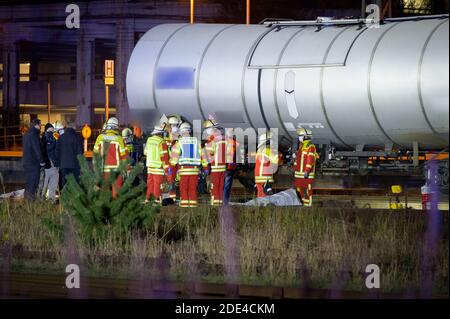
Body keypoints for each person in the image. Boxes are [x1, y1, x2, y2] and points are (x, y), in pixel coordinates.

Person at [170, 122, 205, 208]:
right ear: (190, 131)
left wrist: (171, 167)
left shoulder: (179, 142)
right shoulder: (197, 141)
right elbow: (203, 155)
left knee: (184, 188)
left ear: (181, 132)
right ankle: (193, 206)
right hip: (194, 170)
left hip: (184, 170)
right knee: (193, 188)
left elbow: (174, 159)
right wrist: (205, 166)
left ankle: (184, 206)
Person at [93, 117, 128, 198]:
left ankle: (105, 208)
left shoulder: (100, 137)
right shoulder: (119, 139)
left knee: (104, 192)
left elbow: (95, 154)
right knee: (116, 193)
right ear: (116, 127)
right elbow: (123, 156)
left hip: (104, 169)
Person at [143, 123, 170, 204]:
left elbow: (145, 152)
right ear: (161, 133)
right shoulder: (162, 142)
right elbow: (164, 157)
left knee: (150, 184)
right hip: (158, 167)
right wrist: (167, 170)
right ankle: (156, 200)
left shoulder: (149, 140)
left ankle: (147, 199)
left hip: (150, 167)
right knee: (157, 185)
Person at [203, 118, 227, 206]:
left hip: (215, 167)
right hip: (222, 168)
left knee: (214, 187)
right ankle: (220, 204)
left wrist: (205, 168)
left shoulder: (212, 140)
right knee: (220, 187)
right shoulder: (223, 138)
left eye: (207, 129)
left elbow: (207, 156)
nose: (207, 131)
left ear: (213, 128)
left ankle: (215, 206)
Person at [293, 128, 318, 206]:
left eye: (301, 136)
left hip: (306, 174)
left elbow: (310, 160)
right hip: (299, 174)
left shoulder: (310, 146)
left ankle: (308, 206)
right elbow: (298, 160)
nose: (299, 137)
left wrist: (307, 170)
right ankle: (303, 204)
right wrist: (294, 168)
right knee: (299, 190)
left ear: (306, 136)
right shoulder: (302, 146)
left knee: (307, 190)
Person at [22, 118, 45, 200]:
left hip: (26, 162)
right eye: (40, 125)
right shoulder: (34, 135)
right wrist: (41, 161)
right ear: (36, 125)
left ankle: (26, 204)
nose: (40, 127)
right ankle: (31, 205)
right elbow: (37, 149)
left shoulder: (26, 135)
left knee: (28, 183)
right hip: (33, 163)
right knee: (33, 183)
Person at [56, 122, 83, 187]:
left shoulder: (61, 137)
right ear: (74, 127)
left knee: (65, 183)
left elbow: (57, 151)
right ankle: (74, 196)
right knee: (75, 184)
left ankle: (65, 196)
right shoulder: (77, 137)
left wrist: (59, 163)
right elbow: (80, 152)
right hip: (75, 165)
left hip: (64, 165)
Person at [254, 131, 279, 198]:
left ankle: (260, 207)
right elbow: (275, 160)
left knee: (260, 194)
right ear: (267, 141)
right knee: (266, 196)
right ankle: (266, 207)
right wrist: (279, 155)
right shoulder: (267, 150)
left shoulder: (259, 150)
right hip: (265, 177)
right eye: (272, 140)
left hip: (258, 177)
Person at [41, 123, 59, 202]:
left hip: (54, 164)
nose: (51, 131)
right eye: (49, 130)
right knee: (44, 184)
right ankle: (41, 200)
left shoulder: (55, 137)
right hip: (47, 164)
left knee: (53, 184)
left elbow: (59, 148)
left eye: (52, 130)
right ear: (46, 130)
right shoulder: (43, 139)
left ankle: (52, 200)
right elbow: (46, 149)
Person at [166, 115, 181, 201]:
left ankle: (177, 196)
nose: (173, 127)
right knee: (172, 179)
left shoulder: (179, 137)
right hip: (172, 162)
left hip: (176, 161)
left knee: (177, 178)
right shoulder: (167, 138)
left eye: (175, 125)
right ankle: (173, 197)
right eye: (172, 125)